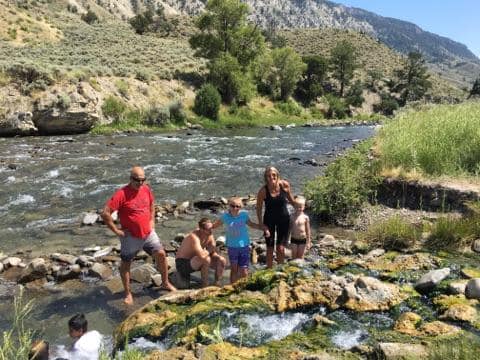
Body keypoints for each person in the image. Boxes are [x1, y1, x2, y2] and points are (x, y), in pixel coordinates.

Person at [101, 166, 175, 305]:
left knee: (161, 254)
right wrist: (117, 231)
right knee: (126, 264)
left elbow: (152, 204)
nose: (140, 183)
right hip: (131, 237)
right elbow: (105, 213)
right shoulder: (121, 194)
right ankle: (128, 293)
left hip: (148, 233)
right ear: (130, 178)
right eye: (137, 180)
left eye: (143, 180)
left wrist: (152, 220)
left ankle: (165, 283)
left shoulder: (146, 189)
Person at [213, 197, 270, 283]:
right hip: (232, 247)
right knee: (234, 269)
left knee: (244, 270)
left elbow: (251, 224)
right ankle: (232, 288)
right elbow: (214, 225)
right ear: (229, 206)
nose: (235, 208)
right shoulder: (225, 217)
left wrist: (263, 228)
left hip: (244, 246)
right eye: (233, 206)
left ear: (241, 207)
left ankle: (244, 288)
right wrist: (202, 229)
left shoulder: (244, 215)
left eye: (238, 206)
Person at [256, 166, 295, 268]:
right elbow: (259, 208)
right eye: (268, 175)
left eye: (274, 175)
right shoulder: (263, 191)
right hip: (269, 221)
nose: (271, 177)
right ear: (266, 178)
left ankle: (280, 270)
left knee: (281, 248)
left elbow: (292, 201)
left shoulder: (284, 185)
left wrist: (301, 210)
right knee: (269, 248)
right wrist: (261, 224)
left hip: (284, 220)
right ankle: (269, 270)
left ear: (277, 176)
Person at [175, 218, 226, 287]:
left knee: (222, 260)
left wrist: (217, 257)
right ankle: (205, 285)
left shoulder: (209, 234)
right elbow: (202, 255)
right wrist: (209, 249)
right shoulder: (194, 237)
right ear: (201, 229)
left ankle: (217, 283)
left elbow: (212, 249)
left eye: (211, 228)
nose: (211, 231)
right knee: (206, 259)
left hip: (195, 261)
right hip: (182, 264)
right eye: (208, 229)